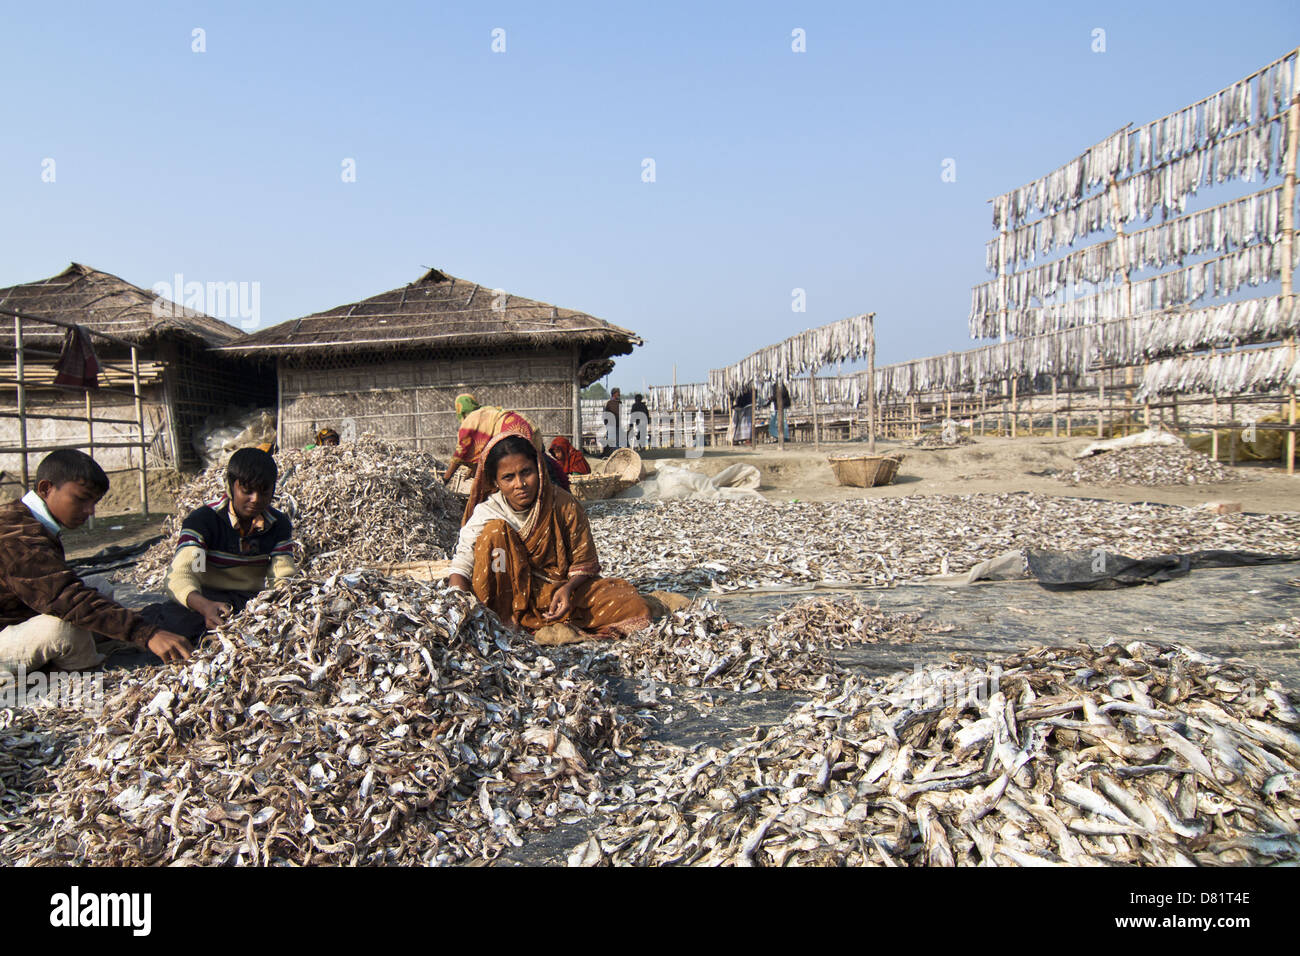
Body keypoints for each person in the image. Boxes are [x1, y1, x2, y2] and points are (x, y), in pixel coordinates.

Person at [0, 450, 192, 675]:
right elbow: (65, 598)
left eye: (94, 502)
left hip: (21, 614)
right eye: (81, 499)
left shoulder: (26, 517)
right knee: (63, 630)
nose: (90, 511)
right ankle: (81, 673)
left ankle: (72, 652)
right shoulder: (15, 535)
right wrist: (146, 633)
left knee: (99, 587)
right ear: (46, 489)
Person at [448, 433, 650, 645]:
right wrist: (458, 610)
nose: (520, 484)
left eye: (526, 472)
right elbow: (461, 566)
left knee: (629, 602)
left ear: (539, 469)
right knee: (495, 532)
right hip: (506, 599)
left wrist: (568, 588)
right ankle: (507, 622)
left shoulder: (562, 504)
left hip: (557, 593)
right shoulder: (488, 512)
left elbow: (583, 561)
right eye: (508, 477)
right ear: (496, 482)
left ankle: (546, 625)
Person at [139, 448, 295, 642]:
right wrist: (205, 606)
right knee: (177, 625)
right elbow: (184, 573)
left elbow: (282, 575)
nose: (256, 499)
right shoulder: (204, 521)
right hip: (207, 597)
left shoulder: (278, 525)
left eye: (264, 491)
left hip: (249, 599)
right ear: (230, 486)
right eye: (247, 491)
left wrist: (280, 604)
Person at [443, 393, 569, 490]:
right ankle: (557, 493)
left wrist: (446, 478)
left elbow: (461, 452)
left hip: (513, 432)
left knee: (520, 472)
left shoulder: (471, 419)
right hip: (528, 428)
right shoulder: (487, 411)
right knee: (540, 464)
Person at [602, 388, 622, 453]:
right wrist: (606, 422)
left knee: (617, 440)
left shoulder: (619, 403)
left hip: (617, 424)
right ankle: (614, 454)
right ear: (614, 394)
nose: (619, 394)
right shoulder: (609, 403)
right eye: (618, 393)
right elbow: (605, 414)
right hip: (611, 425)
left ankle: (616, 453)